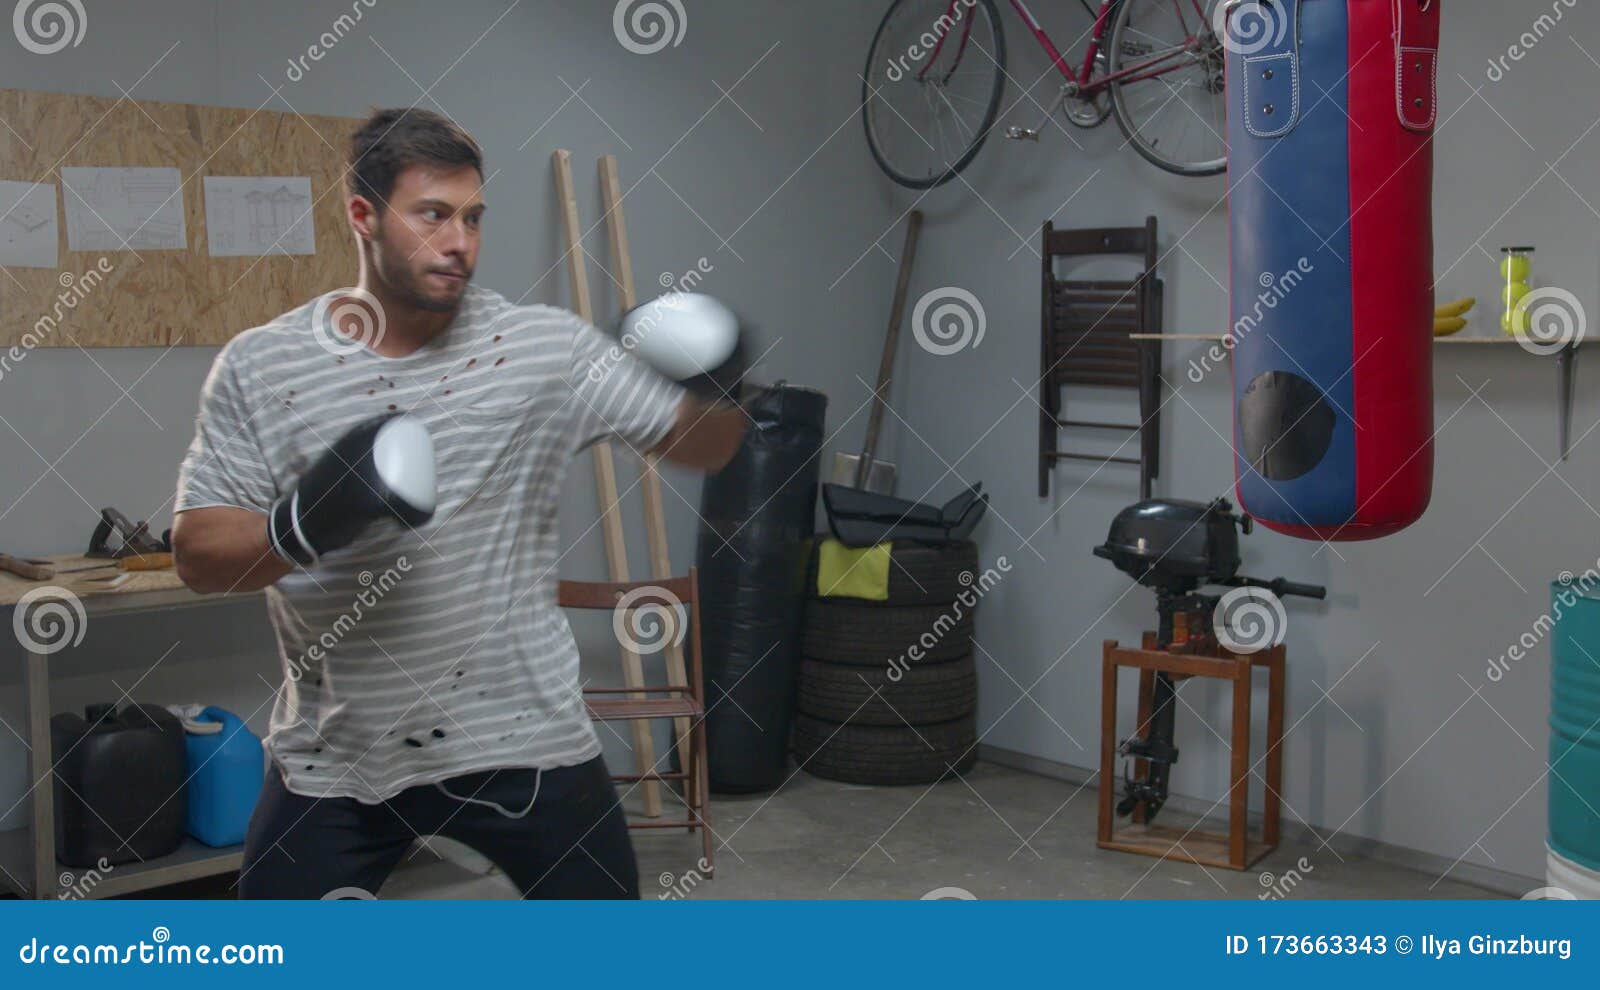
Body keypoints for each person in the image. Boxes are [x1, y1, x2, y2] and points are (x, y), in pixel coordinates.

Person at [171, 107, 747, 899]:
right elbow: (198, 556)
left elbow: (699, 444)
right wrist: (304, 522)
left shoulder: (544, 349)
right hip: (342, 754)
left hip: (527, 738)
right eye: (433, 215)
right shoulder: (265, 367)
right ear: (363, 216)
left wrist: (719, 379)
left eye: (473, 217)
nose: (460, 243)